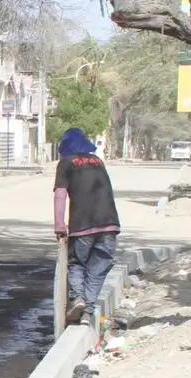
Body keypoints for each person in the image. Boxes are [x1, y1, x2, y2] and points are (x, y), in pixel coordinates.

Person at [53, 127, 121, 326]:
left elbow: (60, 194)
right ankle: (87, 311)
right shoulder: (98, 162)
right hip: (109, 224)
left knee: (77, 264)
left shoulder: (65, 163)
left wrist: (59, 225)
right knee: (99, 268)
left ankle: (79, 299)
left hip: (82, 225)